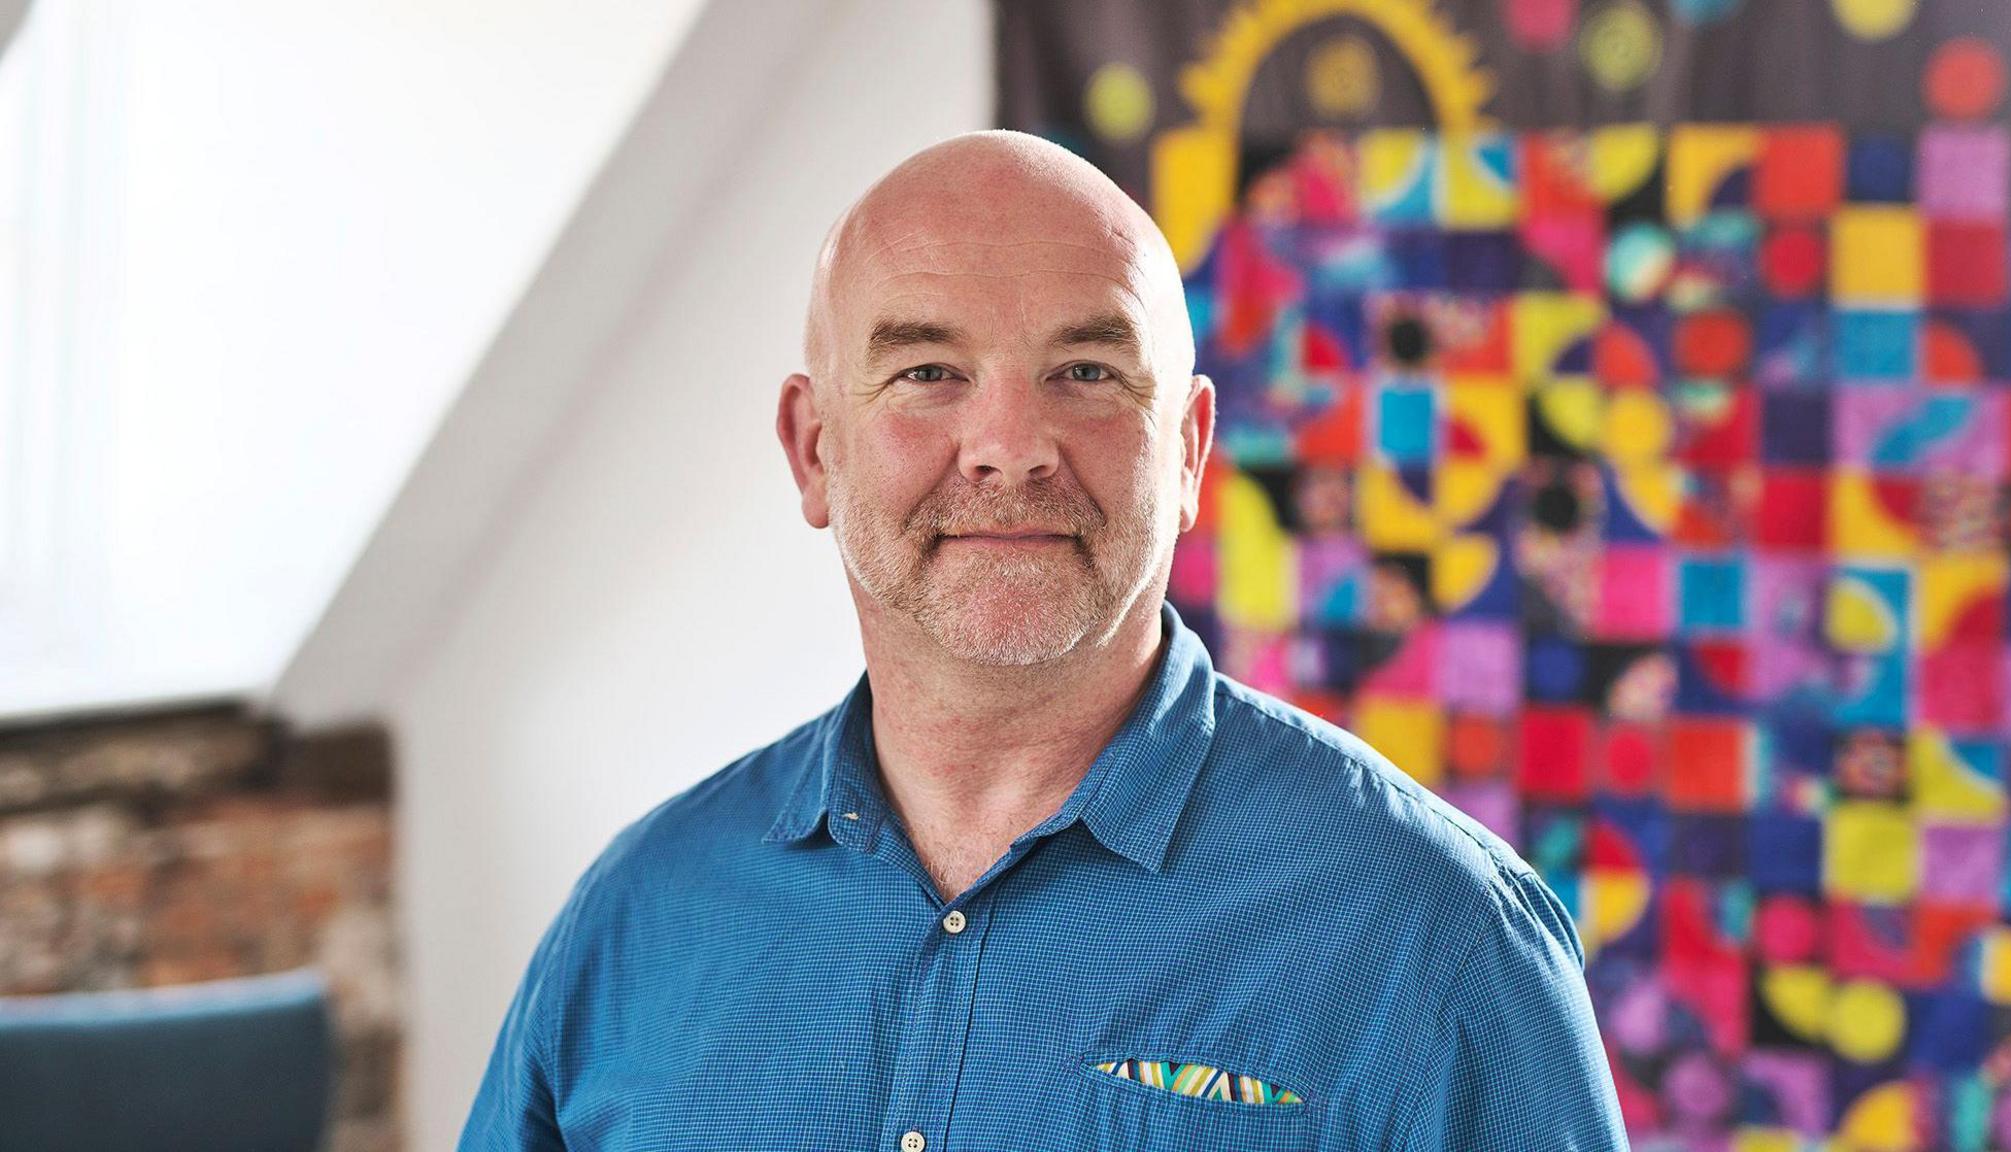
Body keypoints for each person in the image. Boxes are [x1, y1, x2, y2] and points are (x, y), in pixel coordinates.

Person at [459, 129, 1629, 1150]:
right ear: (813, 450)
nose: (1008, 445)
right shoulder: (636, 920)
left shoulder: (1435, 942)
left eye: (1084, 371)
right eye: (926, 371)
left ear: (1185, 450)